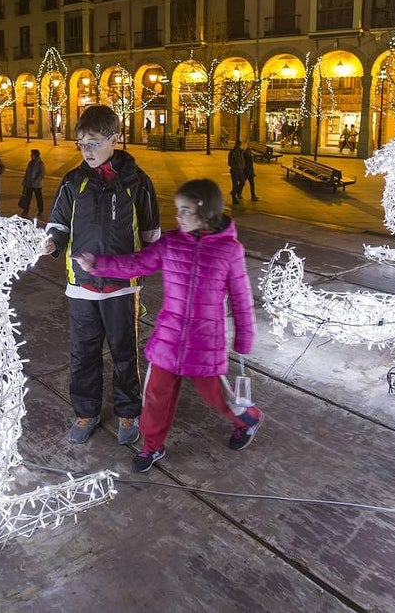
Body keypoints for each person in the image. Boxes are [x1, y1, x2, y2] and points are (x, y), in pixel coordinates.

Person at [77, 178, 262, 473]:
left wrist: (244, 340)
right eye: (177, 210)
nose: (178, 217)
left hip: (206, 343)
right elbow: (137, 263)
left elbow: (241, 298)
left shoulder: (230, 250)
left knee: (216, 396)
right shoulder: (172, 242)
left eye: (184, 210)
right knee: (155, 396)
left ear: (205, 211)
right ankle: (152, 446)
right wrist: (98, 264)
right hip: (168, 339)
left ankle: (248, 418)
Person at [45, 104, 161, 446]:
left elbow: (152, 234)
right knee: (83, 353)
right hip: (80, 288)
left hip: (122, 288)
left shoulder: (138, 182)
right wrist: (50, 244)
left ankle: (128, 412)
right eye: (82, 144)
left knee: (125, 352)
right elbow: (58, 225)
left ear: (116, 138)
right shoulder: (73, 182)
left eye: (94, 142)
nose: (88, 150)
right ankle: (86, 411)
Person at [18, 148, 45, 217]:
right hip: (29, 184)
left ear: (35, 155)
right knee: (27, 198)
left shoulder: (40, 163)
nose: (30, 155)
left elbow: (42, 174)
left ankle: (40, 211)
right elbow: (27, 173)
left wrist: (36, 181)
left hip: (37, 185)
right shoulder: (30, 163)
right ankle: (25, 211)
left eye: (32, 154)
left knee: (38, 198)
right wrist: (25, 181)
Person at [227, 140, 245, 205]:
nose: (239, 146)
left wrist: (243, 167)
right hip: (235, 171)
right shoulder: (232, 152)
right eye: (238, 145)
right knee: (235, 185)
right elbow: (229, 162)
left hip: (240, 170)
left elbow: (242, 160)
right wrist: (236, 166)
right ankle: (234, 198)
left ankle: (237, 193)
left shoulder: (241, 152)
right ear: (236, 145)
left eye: (240, 145)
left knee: (242, 182)